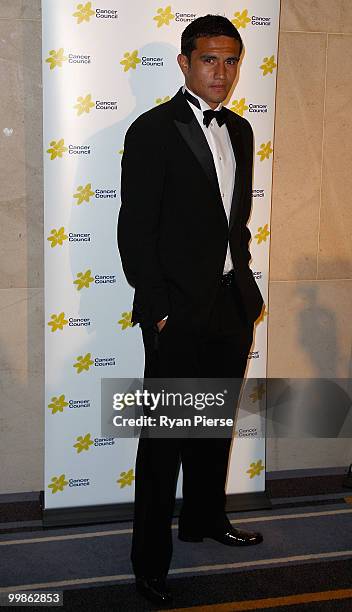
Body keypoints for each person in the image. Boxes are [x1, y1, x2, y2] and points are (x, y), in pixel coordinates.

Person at [118, 14, 264, 606]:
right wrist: (158, 311)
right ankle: (149, 562)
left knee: (213, 429)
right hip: (175, 312)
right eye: (210, 59)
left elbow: (234, 223)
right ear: (184, 63)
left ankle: (205, 519)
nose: (222, 72)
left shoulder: (243, 130)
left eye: (231, 60)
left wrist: (244, 288)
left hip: (230, 305)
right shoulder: (152, 130)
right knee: (165, 442)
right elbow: (134, 230)